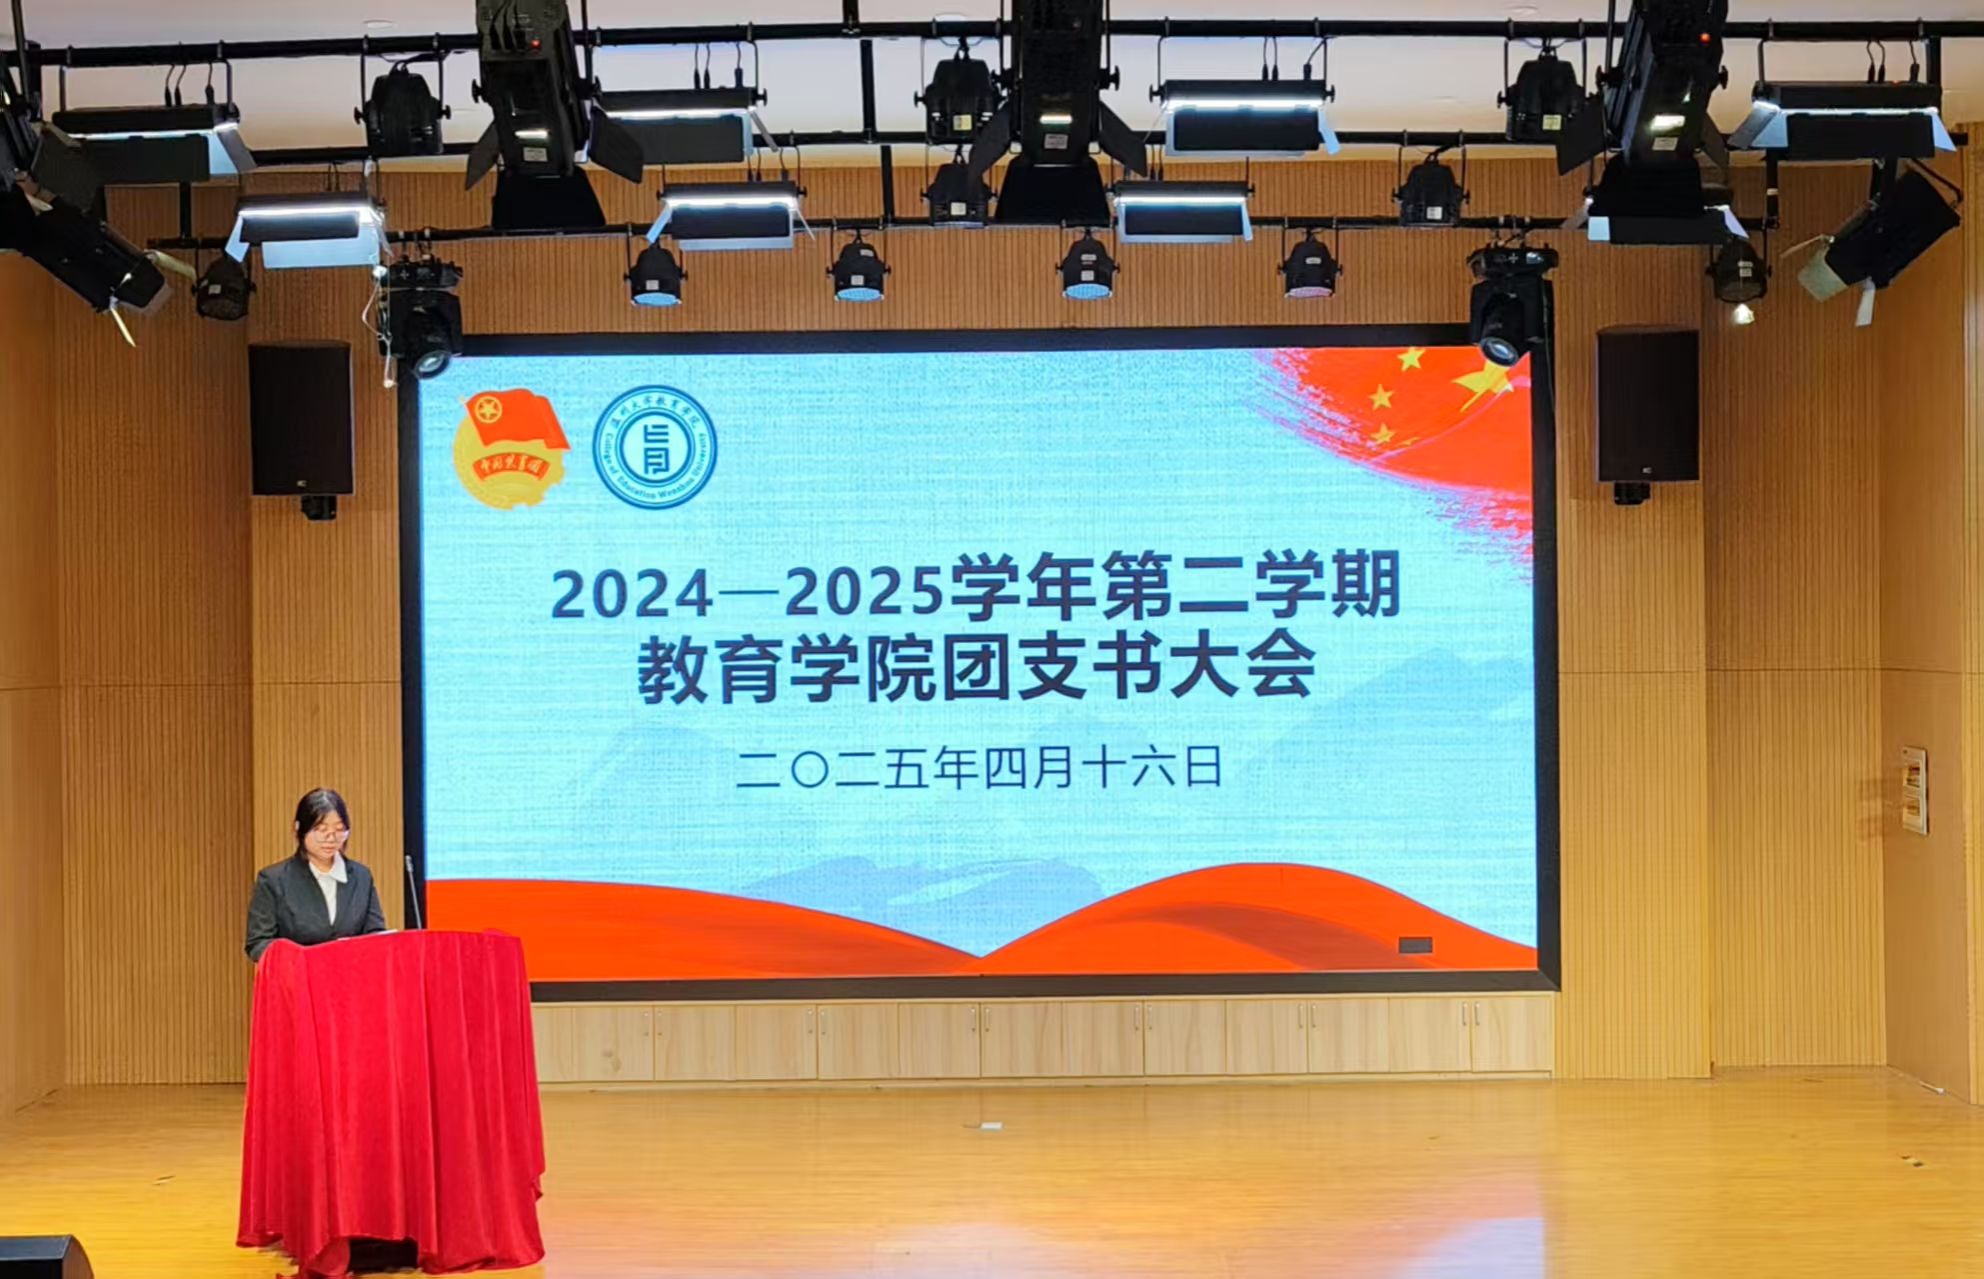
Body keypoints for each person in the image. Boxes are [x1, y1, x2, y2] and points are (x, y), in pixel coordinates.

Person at [244, 788, 388, 963]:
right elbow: (258, 943)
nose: (331, 838)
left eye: (339, 830)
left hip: (351, 976)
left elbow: (376, 935)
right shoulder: (274, 880)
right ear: (299, 829)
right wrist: (299, 960)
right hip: (297, 977)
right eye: (321, 830)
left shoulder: (361, 876)